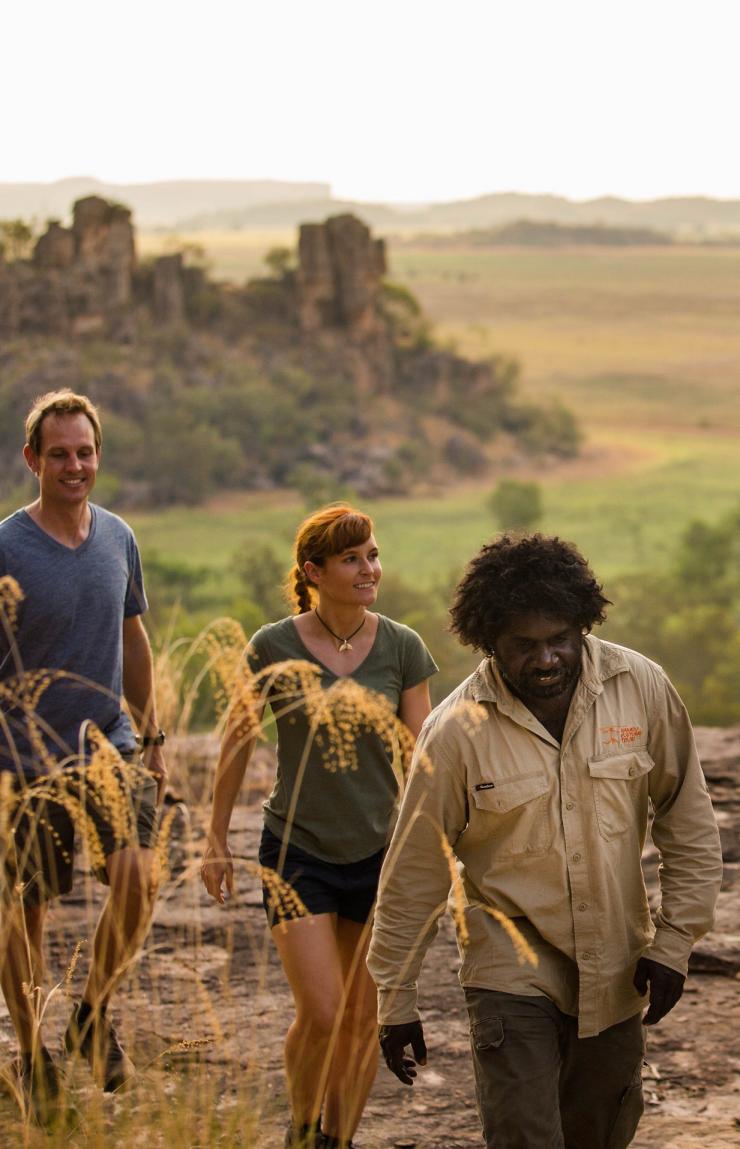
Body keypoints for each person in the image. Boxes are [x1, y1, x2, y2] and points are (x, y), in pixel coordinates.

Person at [367, 534, 722, 1149]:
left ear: (582, 625)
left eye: (560, 639)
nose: (547, 659)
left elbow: (686, 818)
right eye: (523, 646)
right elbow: (415, 870)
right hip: (509, 972)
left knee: (601, 1134)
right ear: (489, 644)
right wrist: (395, 997)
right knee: (524, 1136)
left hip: (617, 968)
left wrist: (674, 942)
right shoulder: (454, 733)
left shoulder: (642, 689)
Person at [201, 504, 437, 1149]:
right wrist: (215, 839)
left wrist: (437, 845)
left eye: (373, 555)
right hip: (297, 849)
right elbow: (237, 742)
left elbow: (424, 753)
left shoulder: (402, 646)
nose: (370, 570)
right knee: (324, 1010)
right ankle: (302, 1132)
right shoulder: (271, 645)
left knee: (362, 1017)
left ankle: (340, 1139)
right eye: (353, 559)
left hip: (378, 853)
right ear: (314, 571)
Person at [0, 390, 167, 1124]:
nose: (75, 464)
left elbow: (133, 637)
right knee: (23, 915)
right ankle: (33, 1053)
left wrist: (151, 734)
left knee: (138, 874)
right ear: (33, 459)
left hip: (107, 745)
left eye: (85, 451)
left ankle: (92, 1012)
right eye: (60, 452)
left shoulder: (118, 537)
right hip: (20, 760)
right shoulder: (6, 547)